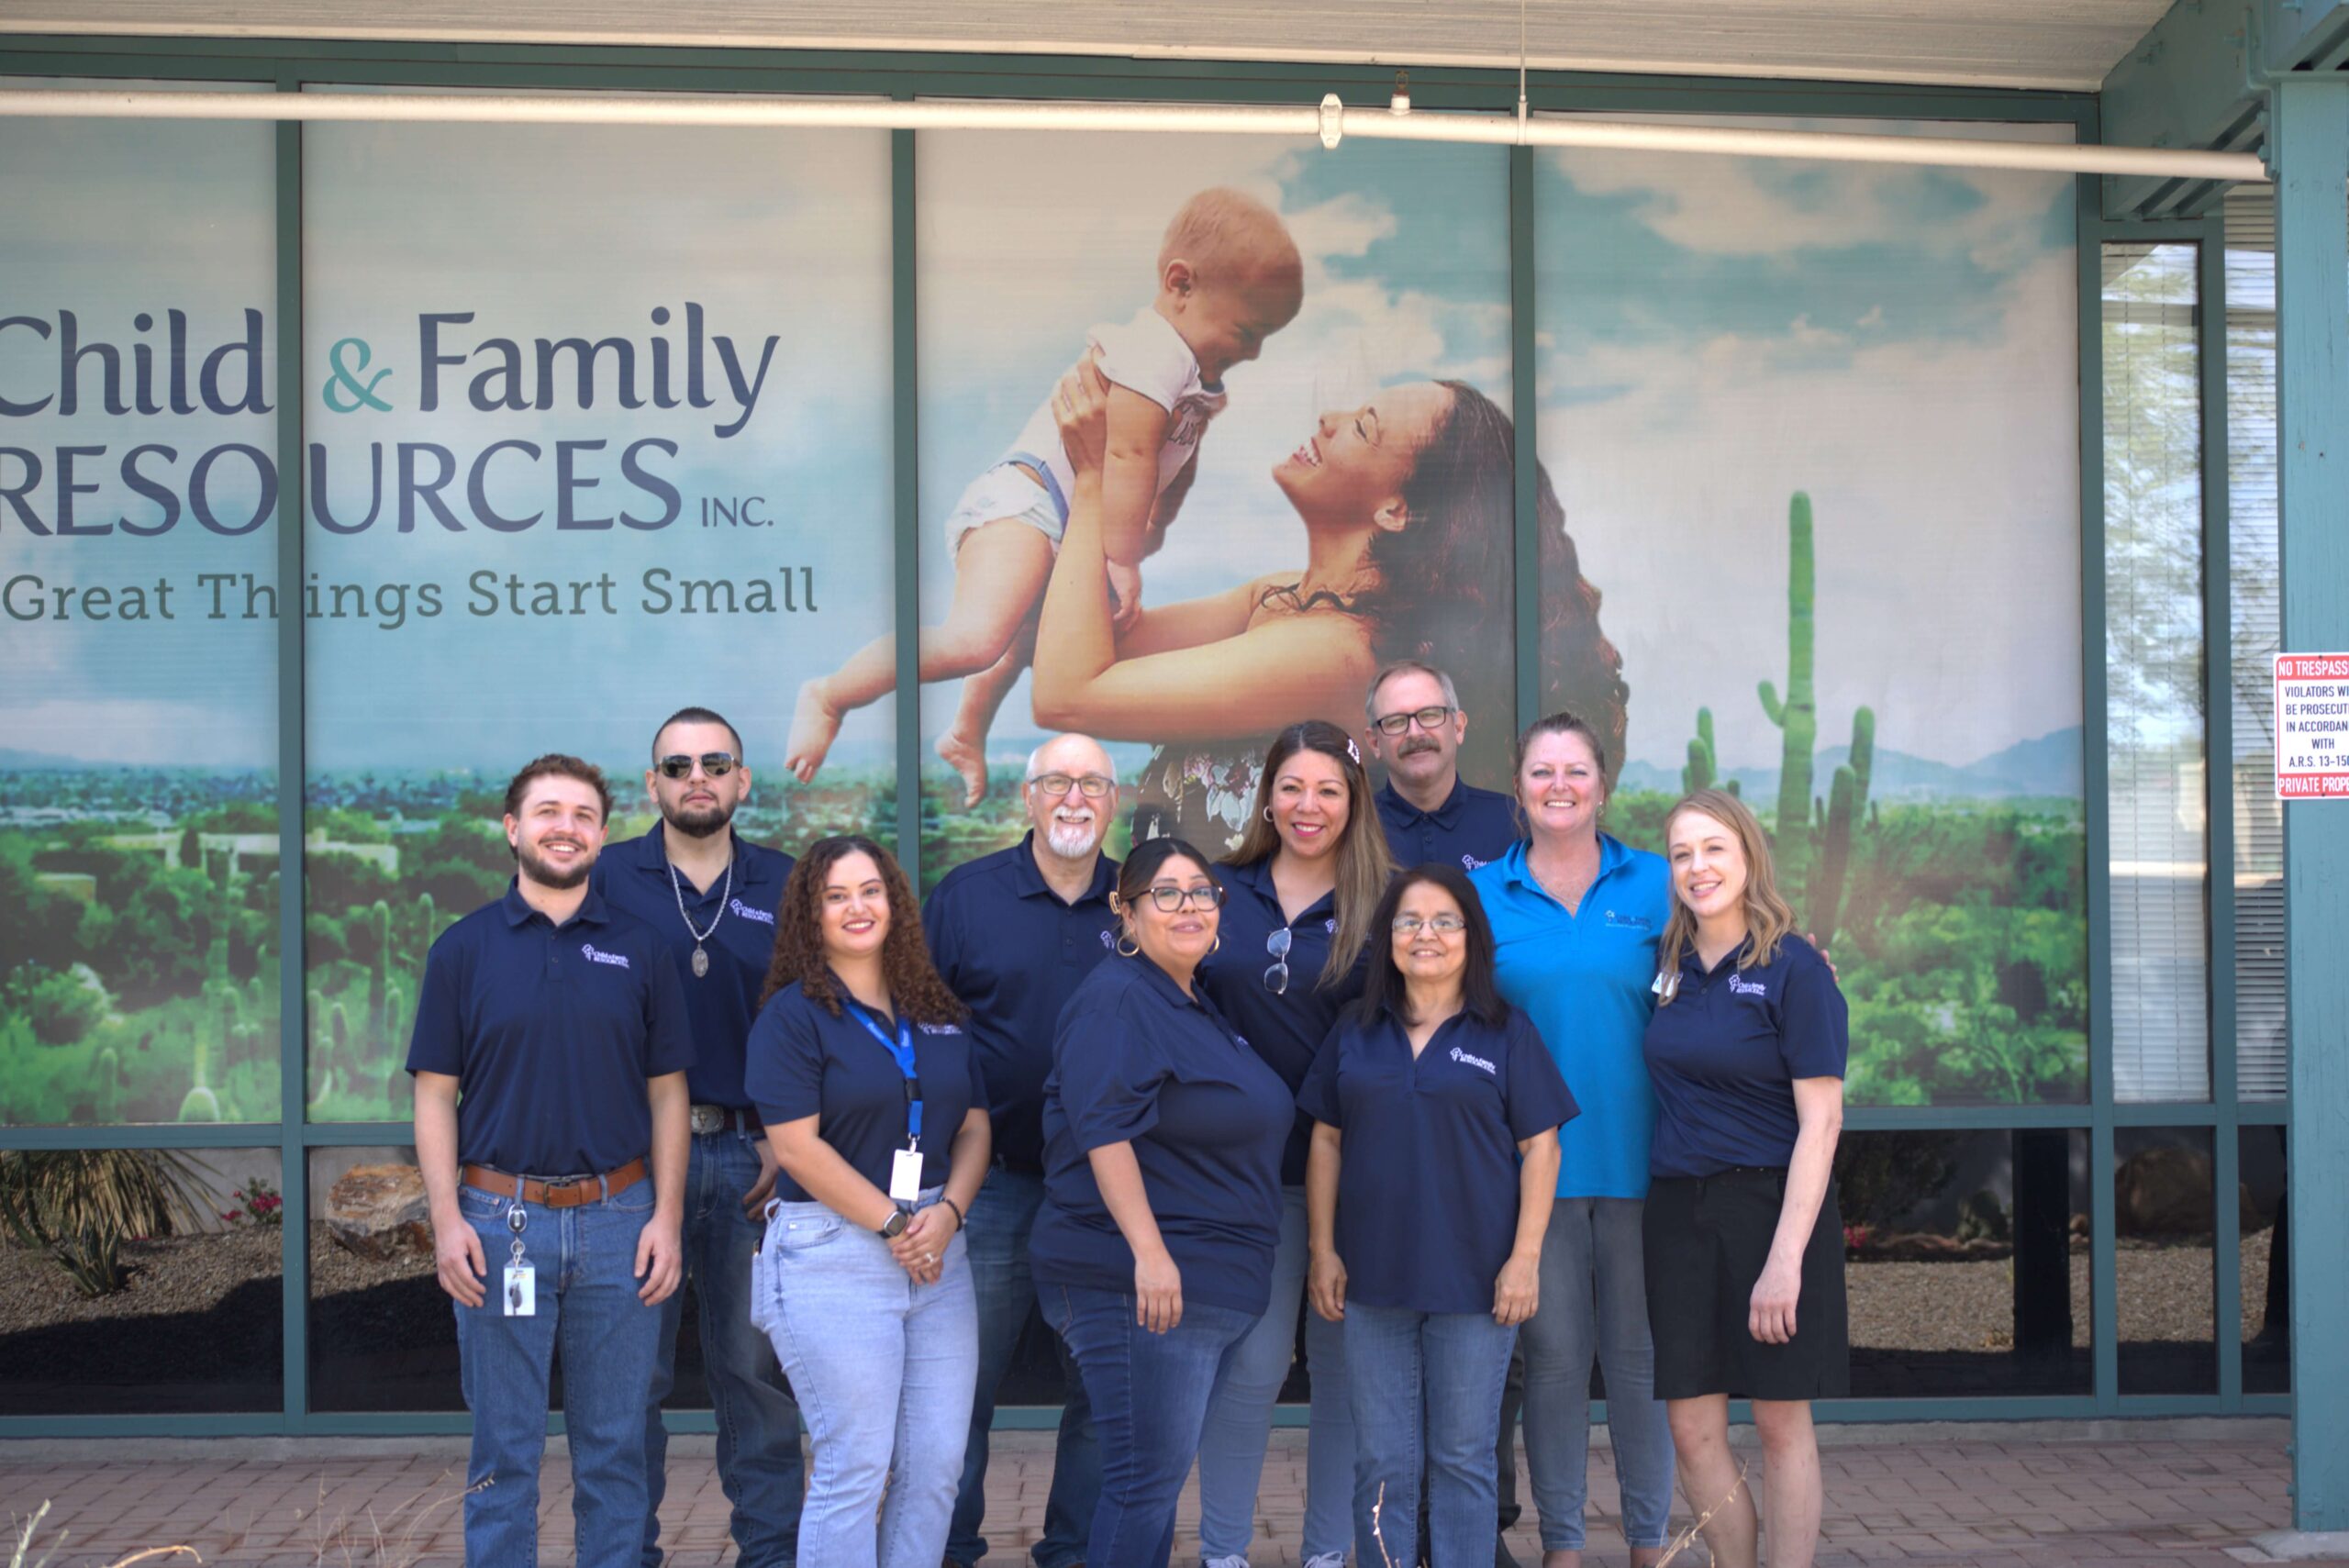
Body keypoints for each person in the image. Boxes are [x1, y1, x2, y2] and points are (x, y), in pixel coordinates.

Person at [786, 186, 1304, 806]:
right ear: (1180, 284)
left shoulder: (1195, 371)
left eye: (1264, 338)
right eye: (1247, 330)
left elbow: (1176, 463)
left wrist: (1153, 526)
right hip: (1026, 501)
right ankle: (831, 693)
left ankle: (965, 730)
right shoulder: (1152, 354)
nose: (1251, 350)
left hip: (1069, 519)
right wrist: (1123, 559)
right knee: (978, 639)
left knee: (1029, 643)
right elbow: (1129, 455)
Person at [1030, 349, 1626, 857]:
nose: (1329, 418)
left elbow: (1068, 693)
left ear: (1396, 511)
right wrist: (1117, 549)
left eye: (1363, 428)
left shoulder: (1339, 652)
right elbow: (1072, 646)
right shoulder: (1287, 597)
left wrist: (1091, 478)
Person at [409, 753, 693, 1568]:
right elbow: (434, 1095)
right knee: (504, 1454)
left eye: (581, 814)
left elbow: (668, 1095)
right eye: (547, 811)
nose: (564, 827)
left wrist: (666, 1218)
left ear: (602, 835)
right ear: (513, 828)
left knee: (615, 1453)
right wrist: (446, 1219)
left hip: (621, 1225)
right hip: (499, 1227)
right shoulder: (462, 950)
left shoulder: (642, 950)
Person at [1300, 864, 1576, 1568]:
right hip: (1372, 1278)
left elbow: (1542, 1148)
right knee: (1383, 1459)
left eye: (1444, 921)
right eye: (1409, 921)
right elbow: (1326, 1139)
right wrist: (1323, 1248)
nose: (1426, 935)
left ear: (1471, 937)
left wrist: (1525, 1257)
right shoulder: (1355, 1030)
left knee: (1462, 1457)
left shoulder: (1506, 1031)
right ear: (1387, 937)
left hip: (1476, 1281)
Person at [1029, 839, 1295, 1568]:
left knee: (1152, 1481)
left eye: (1201, 892)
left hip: (1205, 1286)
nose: (1188, 906)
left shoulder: (1191, 1001)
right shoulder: (1118, 997)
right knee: (1142, 1483)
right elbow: (1103, 1128)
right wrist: (1149, 1252)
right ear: (1126, 910)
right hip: (1138, 1285)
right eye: (1165, 893)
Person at [742, 836, 990, 1568]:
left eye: (871, 890)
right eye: (836, 895)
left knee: (937, 1463)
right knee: (856, 1465)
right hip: (835, 1250)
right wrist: (892, 1221)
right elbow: (795, 1148)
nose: (858, 907)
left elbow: (974, 1125)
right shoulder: (792, 1016)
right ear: (809, 915)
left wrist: (944, 1218)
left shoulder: (935, 1008)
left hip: (939, 1246)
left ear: (896, 903)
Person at [593, 706, 803, 1568]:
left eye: (715, 762)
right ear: (653, 786)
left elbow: (819, 1022)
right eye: (677, 766)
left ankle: (773, 1556)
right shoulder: (605, 879)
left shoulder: (788, 883)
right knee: (629, 1382)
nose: (697, 778)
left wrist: (795, 1142)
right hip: (640, 1168)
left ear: (743, 780)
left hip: (761, 1162)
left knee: (756, 1380)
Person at [1469, 713, 1675, 1568]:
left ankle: (1649, 1541)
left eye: (1577, 770)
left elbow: (1738, 962)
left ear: (1604, 783)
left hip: (1648, 1162)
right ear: (1518, 786)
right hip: (1533, 1171)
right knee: (1552, 1363)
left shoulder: (1660, 882)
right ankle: (1562, 1545)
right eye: (1543, 770)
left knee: (1638, 1364)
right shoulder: (1481, 897)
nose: (1560, 784)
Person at [1190, 718, 1395, 1568]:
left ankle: (1324, 1554)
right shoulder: (1216, 890)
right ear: (1266, 796)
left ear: (1354, 804)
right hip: (1244, 1180)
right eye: (1292, 787)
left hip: (1360, 1178)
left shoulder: (1389, 905)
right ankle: (1225, 1553)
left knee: (1350, 1380)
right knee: (1253, 1367)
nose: (1307, 806)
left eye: (1328, 791)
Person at [927, 735, 1122, 1568]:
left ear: (1115, 800)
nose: (1073, 797)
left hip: (1113, 1191)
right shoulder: (967, 898)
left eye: (1091, 783)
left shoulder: (1145, 899)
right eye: (1055, 782)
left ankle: (1075, 1550)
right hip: (993, 1181)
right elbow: (923, 1035)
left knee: (1102, 1392)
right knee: (959, 1385)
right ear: (1027, 798)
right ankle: (951, 1547)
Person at [1642, 791, 1848, 1568]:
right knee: (1691, 1426)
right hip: (1677, 1213)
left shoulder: (1796, 968)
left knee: (1778, 1423)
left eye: (1714, 848)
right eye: (1683, 853)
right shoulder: (1665, 966)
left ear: (1748, 856)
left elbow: (1822, 1124)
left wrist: (1786, 1257)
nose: (1699, 867)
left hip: (1772, 1210)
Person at [1365, 660, 1520, 875]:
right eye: (1396, 721)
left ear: (1458, 727)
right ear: (1374, 743)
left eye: (1430, 715)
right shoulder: (1354, 827)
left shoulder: (1514, 823)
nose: (1415, 733)